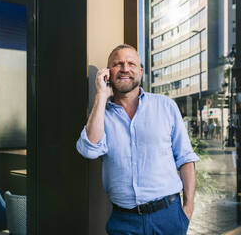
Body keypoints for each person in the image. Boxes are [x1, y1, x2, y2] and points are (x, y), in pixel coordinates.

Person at [76, 44, 199, 235]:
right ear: (108, 72)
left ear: (140, 72)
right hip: (123, 221)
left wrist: (188, 208)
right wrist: (101, 96)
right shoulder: (101, 115)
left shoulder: (165, 106)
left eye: (131, 63)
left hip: (168, 217)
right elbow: (89, 150)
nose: (125, 68)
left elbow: (185, 158)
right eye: (118, 64)